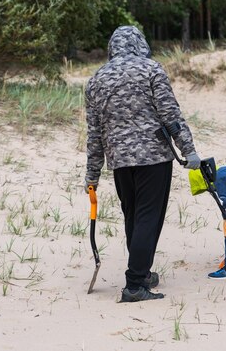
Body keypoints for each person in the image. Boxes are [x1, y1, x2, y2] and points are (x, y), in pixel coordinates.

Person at [85, 25, 201, 302]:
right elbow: (170, 115)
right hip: (154, 157)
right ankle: (136, 284)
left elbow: (94, 133)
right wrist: (189, 150)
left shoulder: (96, 80)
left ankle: (142, 272)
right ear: (141, 44)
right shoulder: (152, 70)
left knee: (134, 217)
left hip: (119, 160)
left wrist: (92, 175)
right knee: (149, 218)